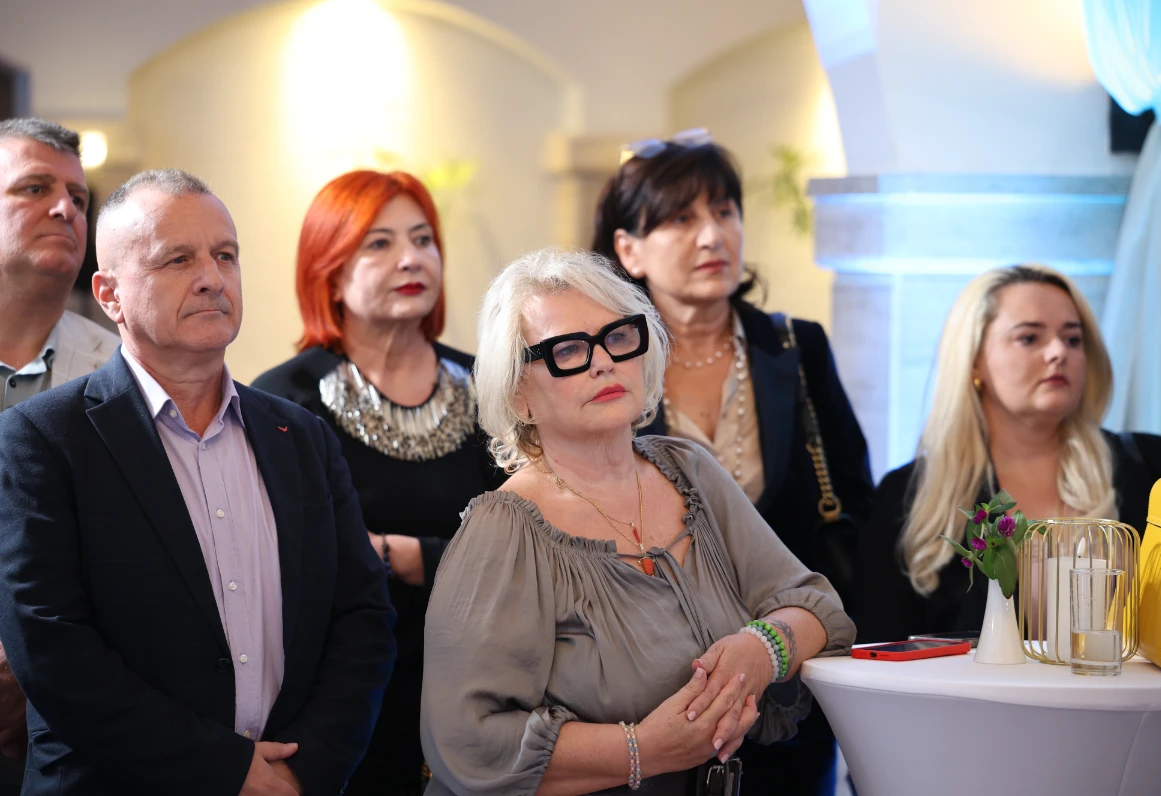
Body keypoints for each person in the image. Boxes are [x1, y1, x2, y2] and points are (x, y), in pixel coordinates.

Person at [0, 169, 397, 795]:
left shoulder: (301, 437)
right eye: (178, 259)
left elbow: (363, 618)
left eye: (225, 255)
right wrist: (229, 772)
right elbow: (52, 649)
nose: (213, 277)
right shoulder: (42, 439)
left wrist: (306, 770)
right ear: (109, 295)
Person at [421, 247, 854, 795]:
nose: (604, 361)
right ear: (518, 393)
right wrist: (644, 750)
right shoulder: (504, 530)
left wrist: (762, 649)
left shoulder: (689, 470)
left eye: (618, 336)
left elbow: (817, 607)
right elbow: (467, 741)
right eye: (568, 350)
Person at [592, 130, 872, 793]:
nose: (712, 236)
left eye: (724, 211)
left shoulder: (795, 348)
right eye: (680, 218)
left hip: (794, 684)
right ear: (628, 250)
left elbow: (854, 498)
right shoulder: (608, 366)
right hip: (660, 691)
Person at [254, 169, 503, 795]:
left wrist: (405, 555)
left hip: (485, 688)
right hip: (340, 704)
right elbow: (280, 566)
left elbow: (532, 545)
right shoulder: (282, 401)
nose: (411, 259)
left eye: (423, 239)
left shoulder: (494, 389)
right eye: (380, 244)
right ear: (330, 271)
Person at [854, 264, 1161, 644]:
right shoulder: (909, 497)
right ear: (974, 359)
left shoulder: (1156, 471)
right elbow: (875, 653)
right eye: (1029, 338)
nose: (1058, 352)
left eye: (1073, 339)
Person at [0, 117, 120, 792]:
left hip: (84, 727)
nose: (65, 209)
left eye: (78, 197)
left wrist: (34, 665)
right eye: (34, 188)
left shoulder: (133, 375)